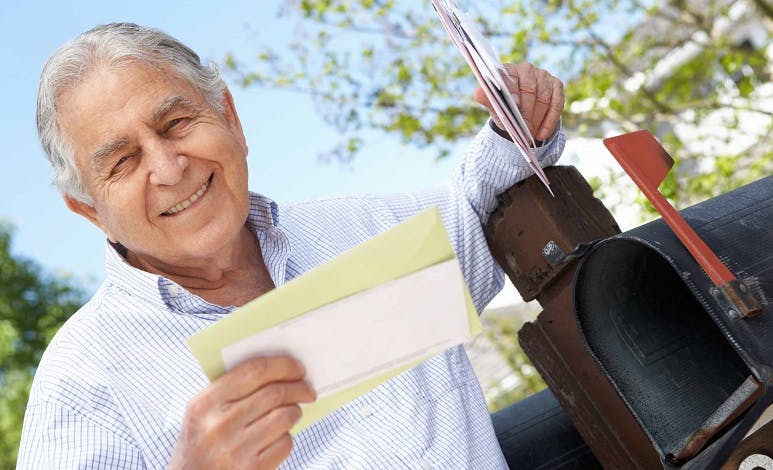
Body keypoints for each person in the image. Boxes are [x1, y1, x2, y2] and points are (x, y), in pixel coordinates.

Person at [18, 23, 566, 469]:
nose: (167, 168)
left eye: (177, 122)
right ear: (90, 210)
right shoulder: (82, 383)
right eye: (123, 162)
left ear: (229, 116)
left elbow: (482, 199)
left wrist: (522, 118)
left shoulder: (367, 232)